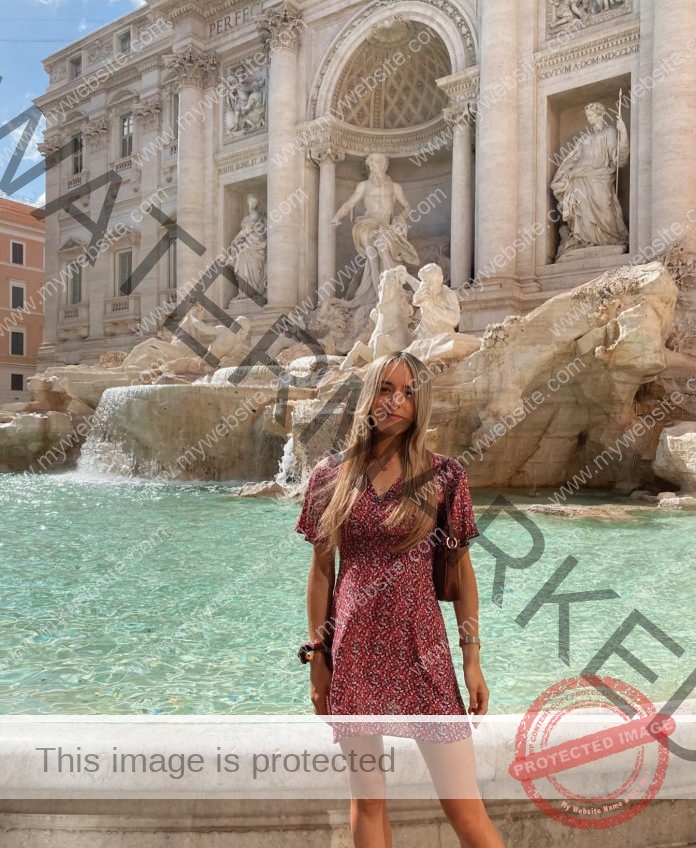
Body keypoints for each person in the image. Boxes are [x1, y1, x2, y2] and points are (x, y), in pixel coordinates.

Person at [294, 350, 505, 848]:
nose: (395, 401)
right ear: (369, 395)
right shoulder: (331, 476)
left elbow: (461, 573)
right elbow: (322, 572)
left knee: (464, 808)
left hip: (423, 648)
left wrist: (471, 658)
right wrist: (316, 658)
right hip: (354, 649)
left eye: (408, 393)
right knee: (368, 799)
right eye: (386, 389)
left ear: (420, 404)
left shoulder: (445, 476)